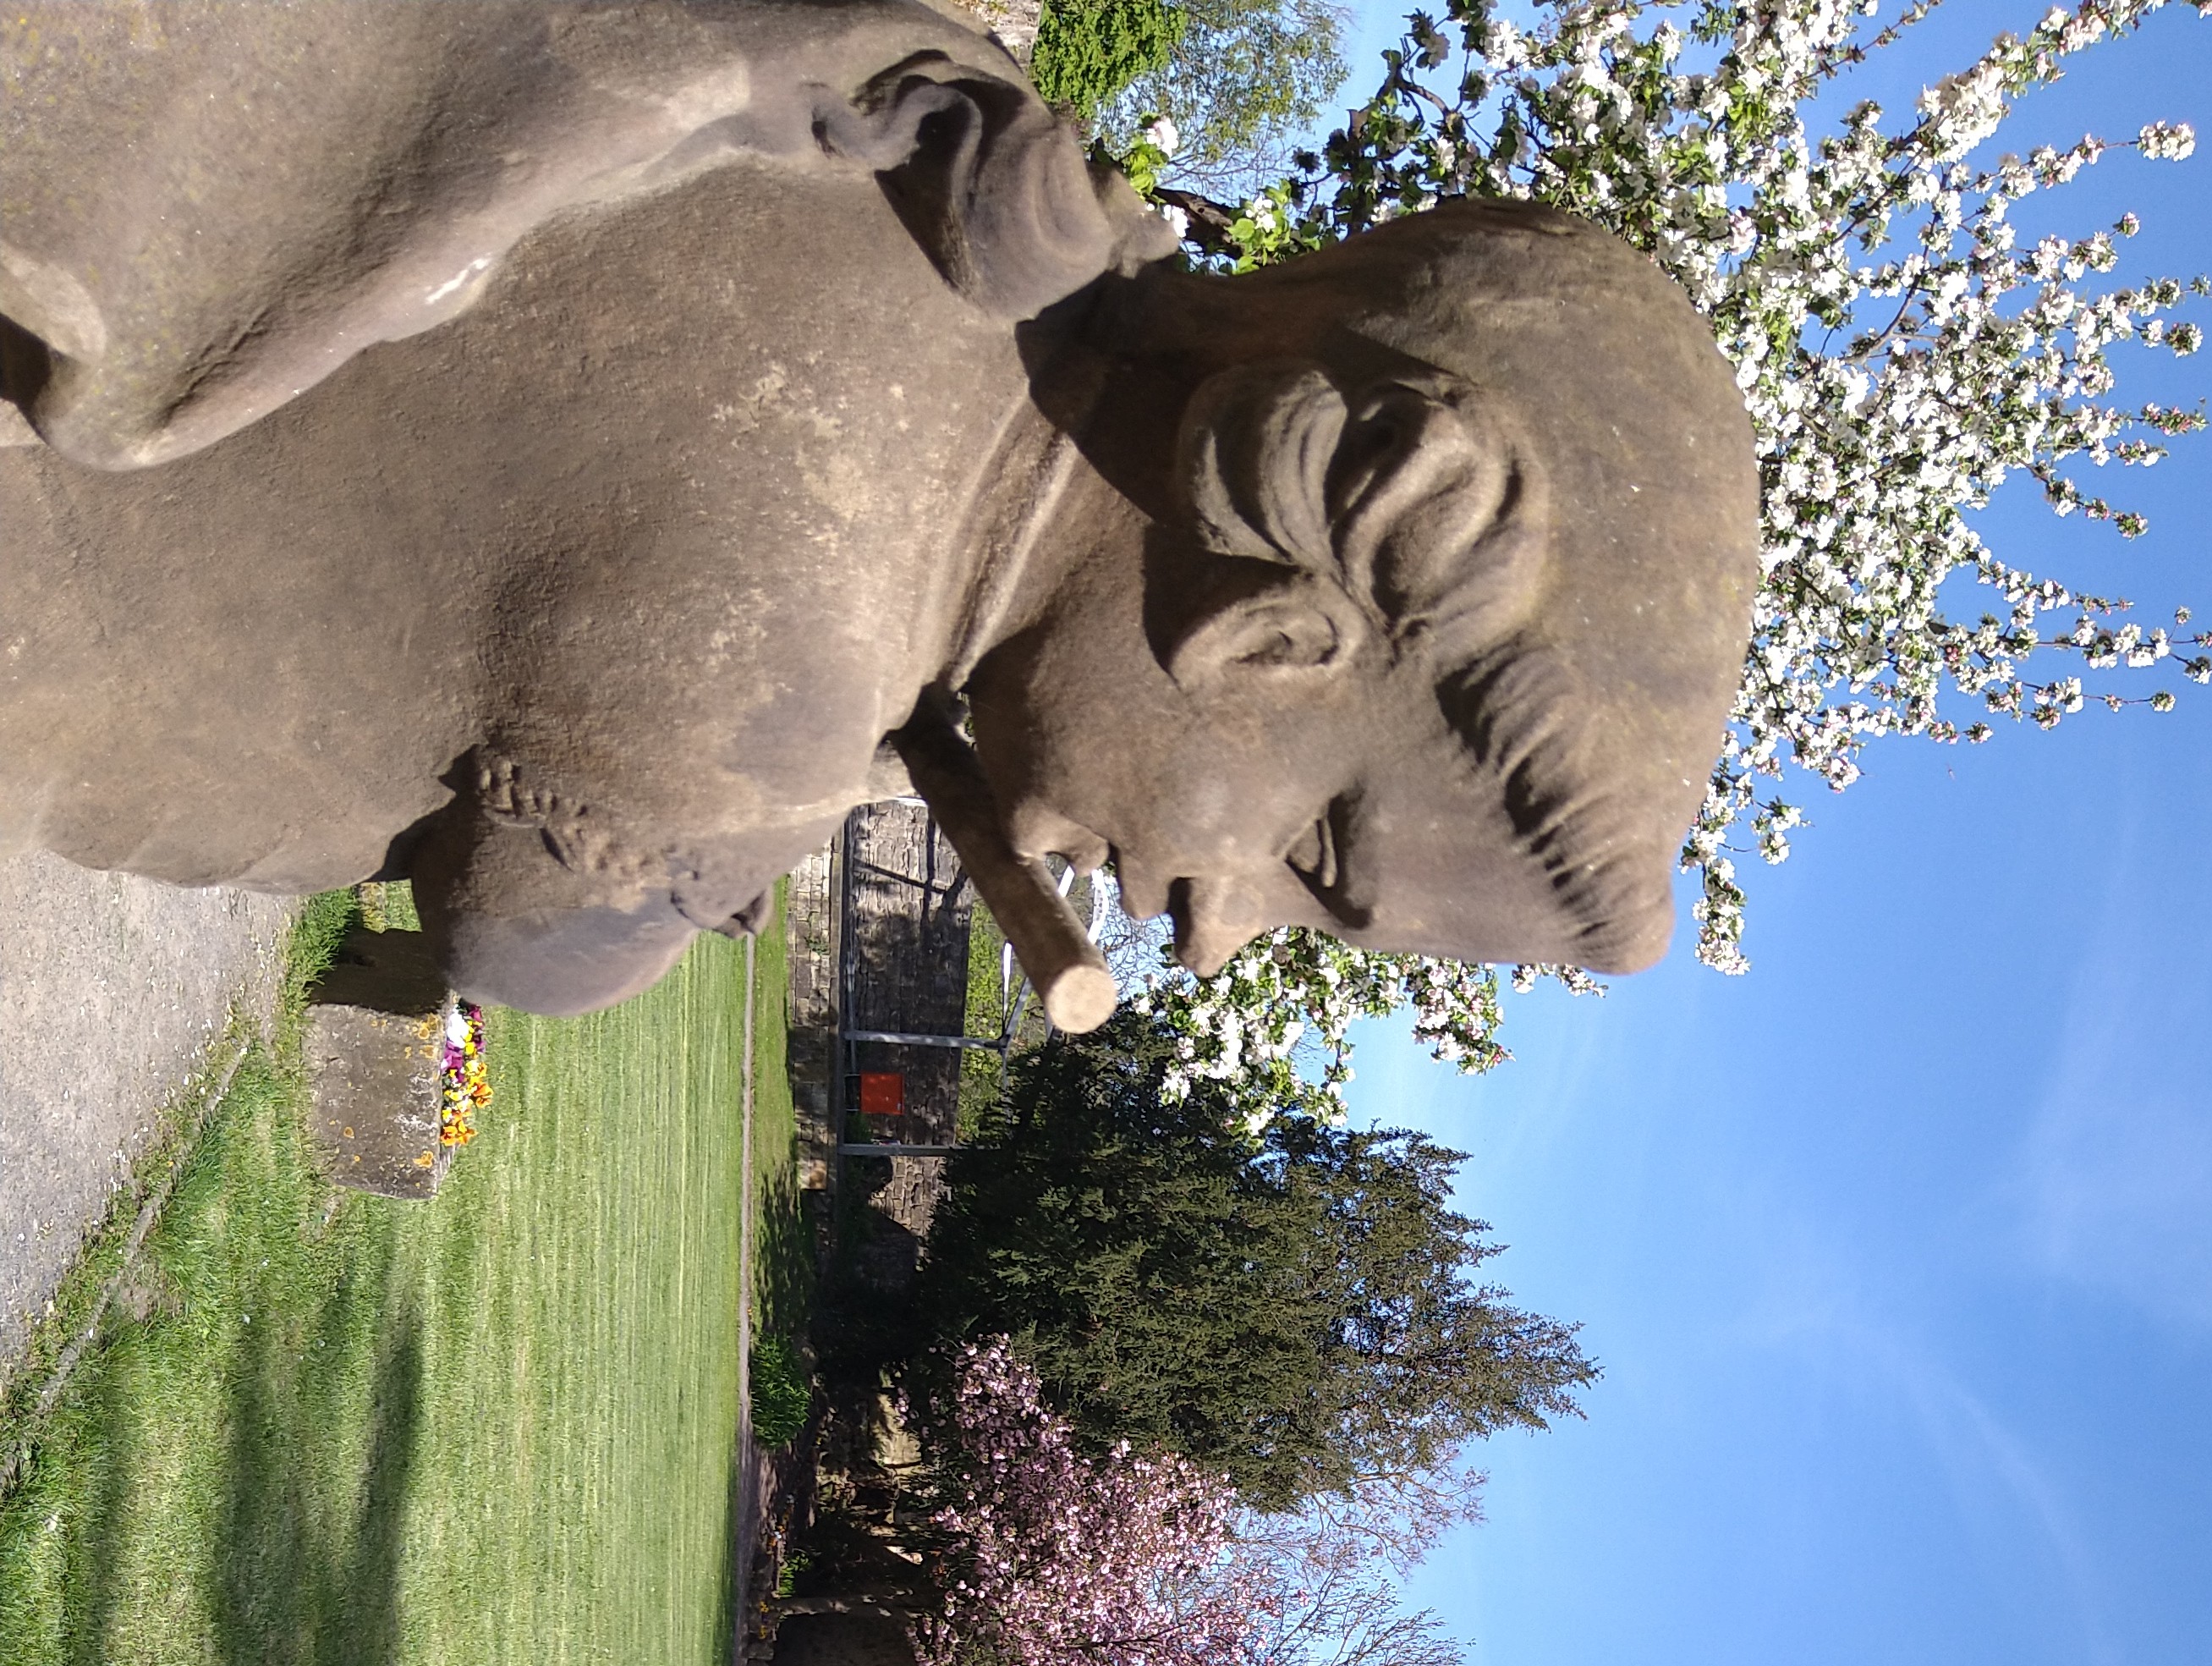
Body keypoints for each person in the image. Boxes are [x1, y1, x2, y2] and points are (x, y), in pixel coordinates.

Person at [0, 0, 1754, 1016]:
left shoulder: (931, 152)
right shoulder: (768, 698)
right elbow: (526, 939)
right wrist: (779, 815)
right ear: (1278, 635)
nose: (1214, 930)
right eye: (1311, 865)